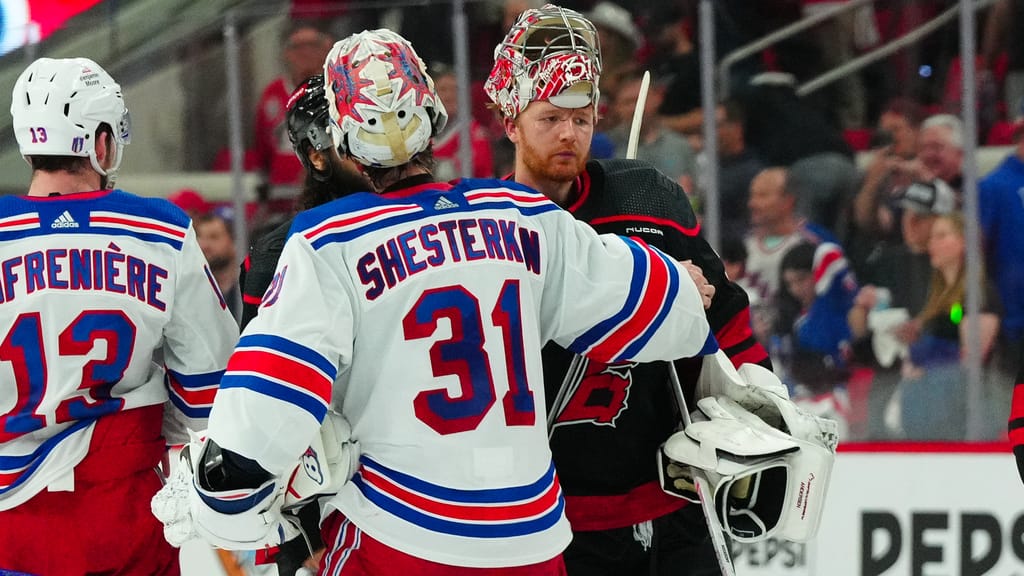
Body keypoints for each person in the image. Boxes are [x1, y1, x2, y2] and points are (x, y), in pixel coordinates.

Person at [153, 28, 718, 576]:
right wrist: (680, 285)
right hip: (531, 539)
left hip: (400, 533)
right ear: (433, 118)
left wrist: (221, 491)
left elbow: (265, 406)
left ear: (343, 138)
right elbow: (675, 315)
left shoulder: (324, 244)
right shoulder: (521, 213)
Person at [485, 5, 771, 575]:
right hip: (554, 522)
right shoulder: (486, 232)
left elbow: (729, 320)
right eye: (550, 118)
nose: (570, 133)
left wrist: (763, 412)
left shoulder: (646, 200)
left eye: (583, 117)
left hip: (672, 502)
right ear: (511, 120)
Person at [0, 57, 239, 574]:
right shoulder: (159, 229)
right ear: (100, 142)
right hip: (125, 511)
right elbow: (210, 389)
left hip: (12, 525)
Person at [237, 74, 372, 576]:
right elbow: (267, 396)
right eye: (350, 133)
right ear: (317, 155)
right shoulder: (281, 251)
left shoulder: (420, 221)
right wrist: (301, 531)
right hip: (330, 500)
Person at [253, 20, 334, 189]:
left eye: (313, 45)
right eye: (297, 47)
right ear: (286, 53)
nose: (305, 53)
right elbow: (262, 148)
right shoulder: (272, 94)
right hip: (282, 193)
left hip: (330, 186)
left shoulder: (338, 88)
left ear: (327, 48)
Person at [195, 211, 241, 320]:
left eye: (213, 237)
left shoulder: (250, 289)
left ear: (234, 243)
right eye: (200, 237)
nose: (204, 245)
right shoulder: (192, 290)